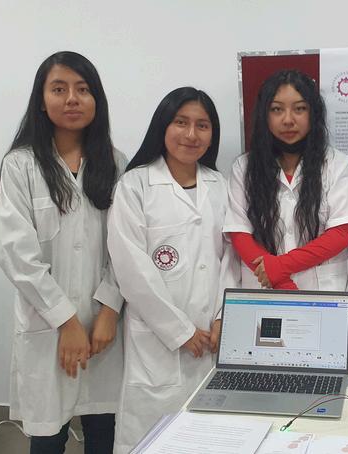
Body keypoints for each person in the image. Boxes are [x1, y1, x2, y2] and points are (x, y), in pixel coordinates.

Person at [0, 51, 125, 454]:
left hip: (104, 324)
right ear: (41, 99)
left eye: (83, 89)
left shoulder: (115, 164)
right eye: (59, 89)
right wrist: (67, 322)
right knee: (49, 435)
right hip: (48, 324)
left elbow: (126, 247)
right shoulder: (20, 166)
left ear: (96, 100)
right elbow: (17, 255)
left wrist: (109, 310)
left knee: (104, 428)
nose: (72, 99)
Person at [107, 87, 238, 453]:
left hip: (213, 337)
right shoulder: (135, 185)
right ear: (162, 126)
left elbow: (232, 258)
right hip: (158, 340)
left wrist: (222, 316)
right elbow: (130, 267)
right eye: (181, 123)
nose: (191, 134)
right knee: (153, 440)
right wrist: (179, 330)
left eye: (202, 125)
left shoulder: (220, 185)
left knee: (211, 439)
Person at [224, 69, 348, 291]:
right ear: (264, 115)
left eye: (299, 109)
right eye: (277, 109)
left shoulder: (337, 164)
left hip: (322, 293)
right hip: (265, 292)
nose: (288, 120)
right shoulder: (244, 167)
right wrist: (285, 286)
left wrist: (280, 268)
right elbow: (239, 234)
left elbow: (341, 233)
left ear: (313, 113)